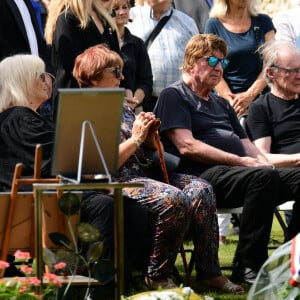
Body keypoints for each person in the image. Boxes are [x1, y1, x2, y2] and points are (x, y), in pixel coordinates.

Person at [73, 43, 244, 293]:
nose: (122, 77)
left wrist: (152, 140)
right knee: (173, 199)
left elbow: (151, 151)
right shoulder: (86, 108)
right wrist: (136, 139)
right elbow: (97, 165)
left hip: (144, 174)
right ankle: (156, 274)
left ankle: (210, 271)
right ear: (95, 74)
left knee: (201, 189)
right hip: (116, 181)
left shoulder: (122, 106)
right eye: (116, 71)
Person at [154, 33, 300, 285]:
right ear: (191, 62)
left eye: (223, 62)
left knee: (282, 175)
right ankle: (247, 266)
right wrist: (242, 162)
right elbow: (186, 145)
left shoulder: (221, 103)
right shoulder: (174, 95)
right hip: (198, 176)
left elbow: (250, 149)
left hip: (240, 175)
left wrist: (262, 161)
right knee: (262, 177)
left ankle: (292, 260)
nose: (219, 68)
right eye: (212, 60)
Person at [0, 54, 149, 295]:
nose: (47, 81)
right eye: (40, 76)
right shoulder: (19, 120)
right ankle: (98, 289)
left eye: (47, 75)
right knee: (106, 207)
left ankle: (115, 284)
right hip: (38, 208)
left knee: (131, 211)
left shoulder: (29, 118)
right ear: (22, 81)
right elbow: (58, 163)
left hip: (50, 202)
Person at [247, 40, 300, 235]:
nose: (299, 75)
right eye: (292, 71)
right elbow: (262, 157)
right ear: (271, 73)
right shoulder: (261, 107)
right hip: (282, 176)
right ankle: (295, 252)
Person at [44, 0, 133, 116]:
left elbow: (117, 60)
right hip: (77, 103)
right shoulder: (67, 18)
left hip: (106, 101)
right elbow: (73, 67)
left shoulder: (103, 16)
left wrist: (126, 90)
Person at [204, 0, 275, 116]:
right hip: (225, 105)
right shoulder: (213, 24)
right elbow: (211, 65)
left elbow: (272, 62)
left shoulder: (263, 21)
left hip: (261, 102)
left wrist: (250, 95)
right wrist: (230, 100)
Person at [127, 0, 199, 112]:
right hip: (140, 105)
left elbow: (199, 61)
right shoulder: (130, 17)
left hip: (181, 104)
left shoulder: (187, 22)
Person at [111, 0, 153, 111]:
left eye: (125, 7)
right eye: (115, 9)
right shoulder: (102, 41)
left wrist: (134, 102)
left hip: (134, 109)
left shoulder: (137, 44)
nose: (121, 12)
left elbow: (146, 81)